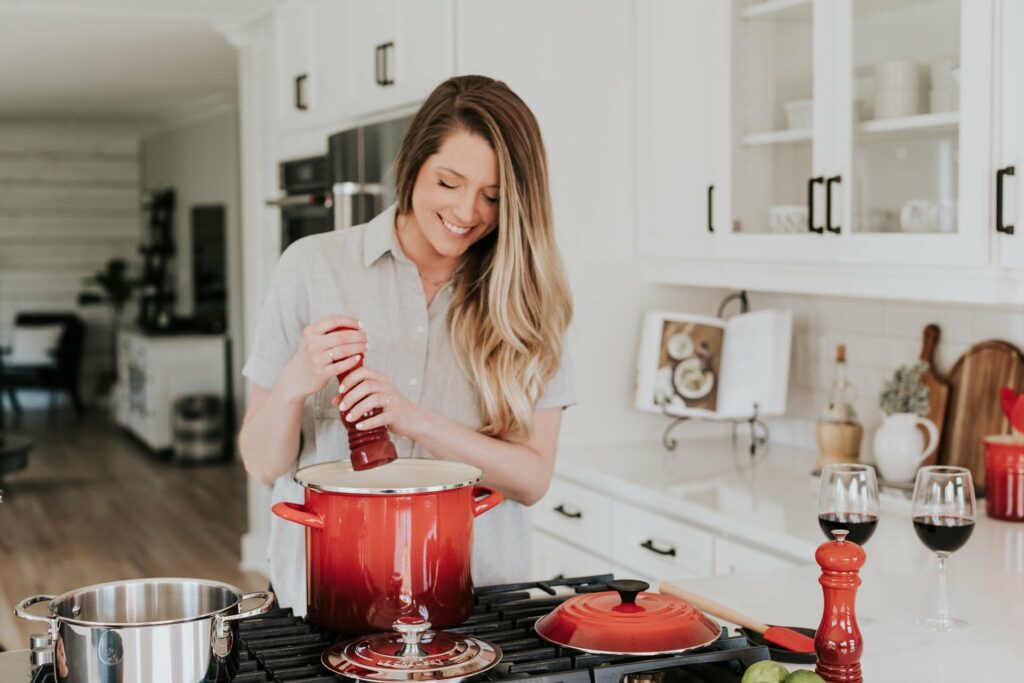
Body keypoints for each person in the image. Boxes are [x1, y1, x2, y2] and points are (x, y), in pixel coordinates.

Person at [238, 75, 575, 614]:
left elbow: (533, 480)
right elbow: (259, 462)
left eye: (493, 196)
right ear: (412, 165)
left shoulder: (529, 300)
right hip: (327, 599)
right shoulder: (311, 266)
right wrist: (294, 384)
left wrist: (412, 419)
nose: (468, 212)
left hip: (475, 604)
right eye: (449, 182)